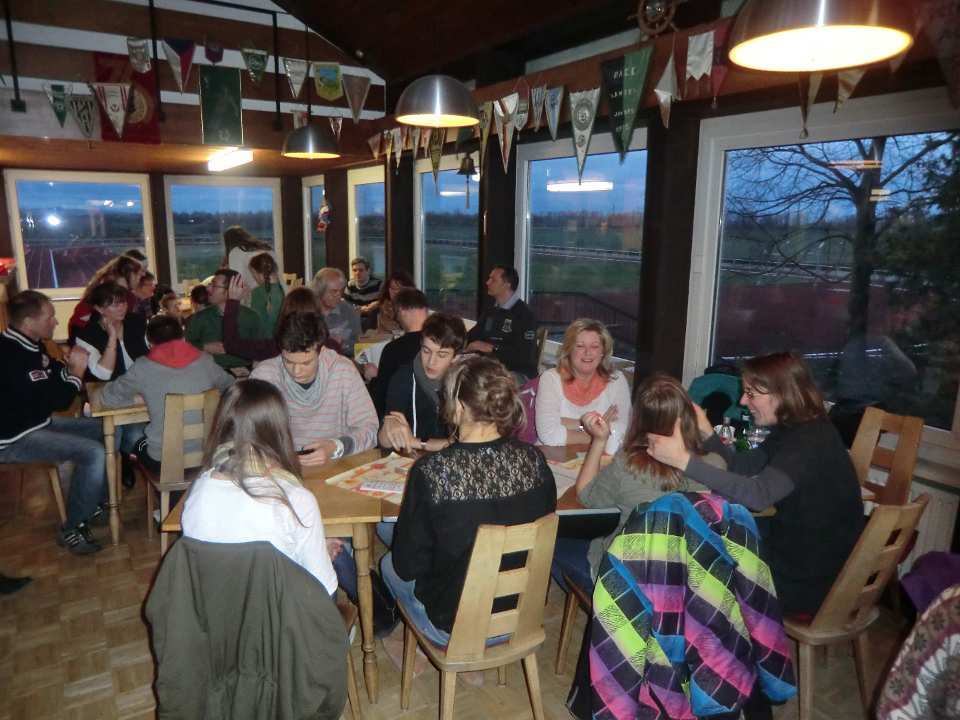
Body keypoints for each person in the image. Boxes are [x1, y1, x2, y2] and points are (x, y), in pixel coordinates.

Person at [647, 351, 864, 616]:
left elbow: (758, 496)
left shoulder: (808, 441)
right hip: (805, 554)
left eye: (750, 394)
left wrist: (683, 461)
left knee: (694, 555)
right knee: (707, 532)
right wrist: (707, 432)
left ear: (781, 393)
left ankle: (693, 631)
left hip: (809, 582)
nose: (742, 401)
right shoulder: (797, 428)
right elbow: (742, 466)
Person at [380, 356, 557, 645]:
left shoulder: (432, 471)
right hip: (523, 616)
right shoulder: (535, 460)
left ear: (460, 408)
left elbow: (406, 566)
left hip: (457, 628)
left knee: (389, 564)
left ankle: (423, 640)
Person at [552, 374, 721, 592]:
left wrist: (599, 441)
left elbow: (586, 496)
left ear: (638, 418)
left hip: (628, 584)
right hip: (685, 580)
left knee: (554, 542)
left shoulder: (628, 463)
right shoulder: (715, 464)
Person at [181, 379, 338, 596]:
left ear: (222, 423)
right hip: (279, 612)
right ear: (279, 428)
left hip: (213, 610)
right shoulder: (296, 499)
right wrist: (319, 552)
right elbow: (323, 588)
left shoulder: (199, 490)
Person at [0, 290, 105, 555]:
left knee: (106, 430)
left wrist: (67, 369)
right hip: (12, 438)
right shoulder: (10, 355)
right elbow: (59, 401)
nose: (56, 321)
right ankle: (72, 528)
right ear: (28, 322)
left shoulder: (31, 343)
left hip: (35, 423)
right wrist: (76, 371)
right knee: (92, 452)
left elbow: (53, 376)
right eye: (49, 317)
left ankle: (91, 501)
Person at [100, 315, 234, 475]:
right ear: (183, 337)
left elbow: (108, 399)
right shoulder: (205, 360)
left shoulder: (143, 367)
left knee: (132, 440)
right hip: (207, 457)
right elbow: (231, 388)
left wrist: (138, 398)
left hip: (163, 462)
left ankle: (140, 480)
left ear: (149, 343)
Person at [250, 311, 377, 466]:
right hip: (280, 467)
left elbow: (370, 430)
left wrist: (335, 447)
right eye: (288, 361)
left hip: (335, 464)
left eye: (306, 363)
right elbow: (246, 434)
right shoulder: (264, 377)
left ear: (321, 351)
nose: (296, 371)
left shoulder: (343, 371)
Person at [535, 319, 632, 453]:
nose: (587, 352)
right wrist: (597, 433)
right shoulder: (550, 379)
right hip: (553, 460)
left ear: (603, 351)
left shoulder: (617, 380)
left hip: (603, 461)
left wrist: (566, 423)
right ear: (569, 350)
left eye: (594, 346)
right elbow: (549, 435)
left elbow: (621, 434)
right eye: (580, 346)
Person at [378, 313, 466, 453]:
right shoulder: (404, 377)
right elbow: (384, 442)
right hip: (413, 459)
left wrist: (418, 443)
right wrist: (388, 428)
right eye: (426, 351)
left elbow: (471, 443)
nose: (431, 362)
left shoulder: (468, 382)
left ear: (456, 357)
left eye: (441, 355)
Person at [221, 277, 341, 362]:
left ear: (285, 313)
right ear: (317, 315)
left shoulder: (276, 348)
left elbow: (231, 344)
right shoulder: (331, 348)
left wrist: (233, 302)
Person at [465, 265, 538, 382]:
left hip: (517, 372)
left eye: (493, 280)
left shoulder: (525, 315)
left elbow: (524, 356)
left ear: (507, 284)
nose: (487, 282)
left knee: (481, 383)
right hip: (491, 367)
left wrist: (492, 348)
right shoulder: (491, 311)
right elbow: (473, 336)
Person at [370, 287, 429, 418]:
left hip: (402, 418)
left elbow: (381, 397)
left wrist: (373, 378)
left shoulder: (393, 349)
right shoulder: (441, 343)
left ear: (401, 310)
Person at [185, 268, 262, 369]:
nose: (208, 288)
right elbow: (185, 346)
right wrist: (205, 347)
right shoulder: (200, 318)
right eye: (209, 284)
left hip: (244, 371)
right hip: (210, 372)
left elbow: (260, 350)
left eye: (214, 285)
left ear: (230, 290)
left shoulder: (251, 317)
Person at [73, 282, 149, 382]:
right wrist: (112, 338)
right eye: (115, 305)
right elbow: (103, 374)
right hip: (109, 385)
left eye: (123, 302)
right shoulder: (86, 335)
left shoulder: (137, 322)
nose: (122, 308)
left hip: (143, 380)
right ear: (99, 309)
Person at [68, 255, 144, 340]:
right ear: (129, 274)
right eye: (138, 275)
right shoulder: (109, 293)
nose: (140, 278)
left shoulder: (123, 293)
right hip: (86, 335)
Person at [311, 267, 361, 357]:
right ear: (320, 291)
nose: (339, 295)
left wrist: (342, 344)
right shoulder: (307, 311)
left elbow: (358, 345)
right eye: (334, 291)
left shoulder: (349, 311)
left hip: (343, 360)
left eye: (341, 291)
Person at [222, 226, 277, 293]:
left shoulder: (235, 252)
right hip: (279, 289)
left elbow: (237, 281)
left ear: (228, 242)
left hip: (257, 293)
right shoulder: (266, 247)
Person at [248, 252, 285, 335]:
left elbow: (258, 323)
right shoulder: (282, 288)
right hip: (281, 336)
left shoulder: (257, 292)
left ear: (258, 273)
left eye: (253, 274)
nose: (253, 277)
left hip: (264, 338)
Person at [374, 270, 415, 336]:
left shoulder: (415, 307)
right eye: (392, 288)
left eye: (399, 288)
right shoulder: (385, 307)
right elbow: (391, 330)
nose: (396, 292)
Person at [344, 256, 382, 322]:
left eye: (361, 270)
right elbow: (346, 305)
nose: (357, 273)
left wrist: (377, 304)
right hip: (355, 318)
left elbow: (384, 302)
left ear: (368, 271)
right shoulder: (350, 285)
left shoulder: (378, 284)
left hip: (373, 319)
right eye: (354, 270)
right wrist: (360, 309)